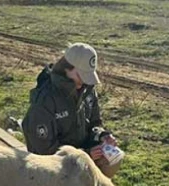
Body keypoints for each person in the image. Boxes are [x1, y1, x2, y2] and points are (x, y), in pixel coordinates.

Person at [22, 43, 122, 178]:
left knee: (112, 160)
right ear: (67, 68)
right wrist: (84, 155)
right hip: (53, 169)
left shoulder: (88, 90)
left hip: (81, 156)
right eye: (81, 75)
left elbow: (95, 123)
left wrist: (102, 136)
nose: (84, 82)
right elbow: (44, 151)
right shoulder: (45, 100)